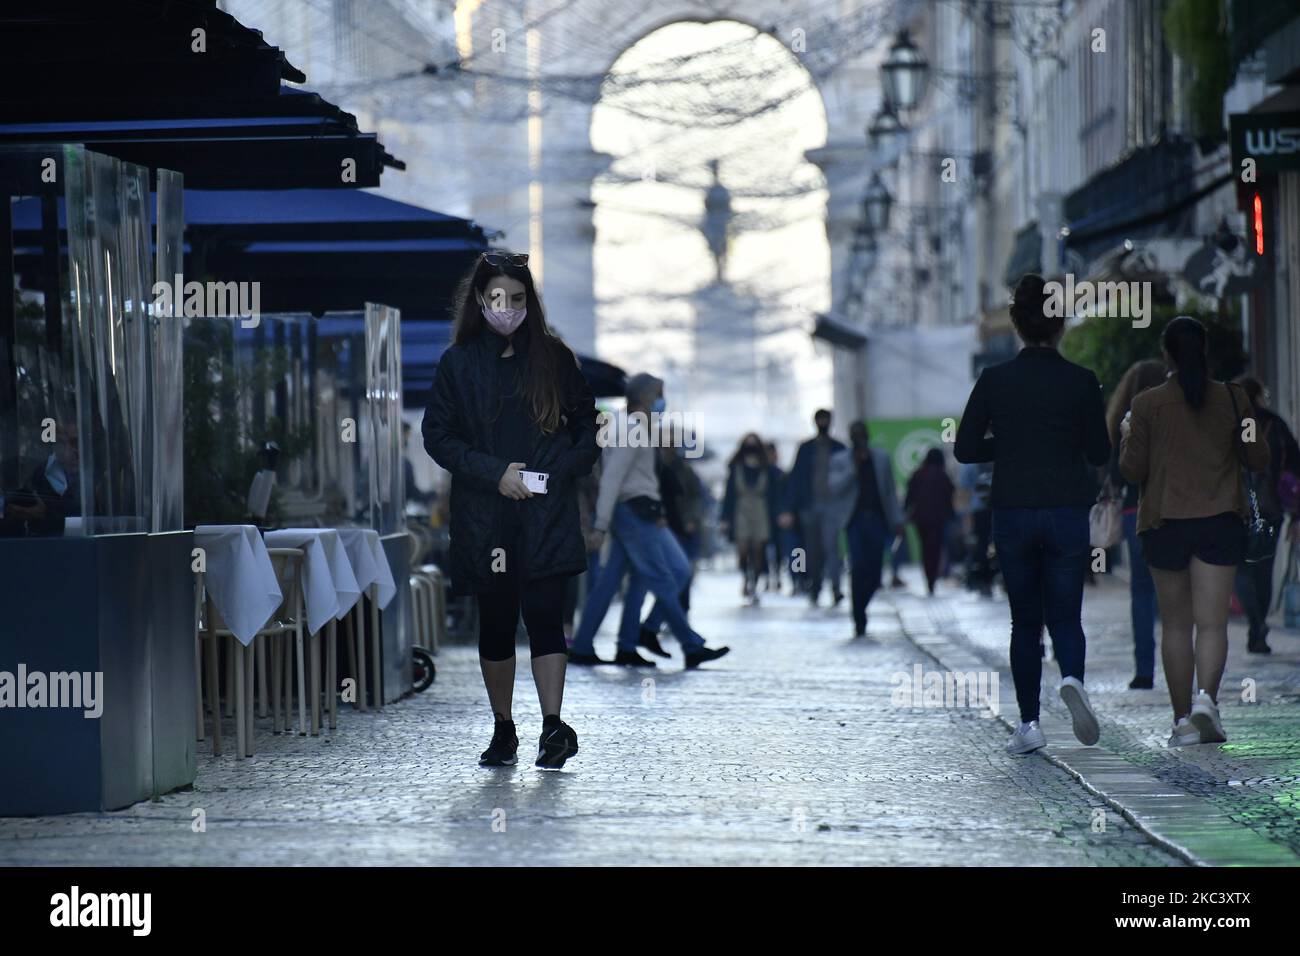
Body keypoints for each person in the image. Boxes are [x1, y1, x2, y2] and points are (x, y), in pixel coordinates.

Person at [421, 250, 597, 769]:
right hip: (485, 515)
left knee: (545, 616)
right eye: (498, 298)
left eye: (518, 299)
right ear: (480, 299)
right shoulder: (458, 363)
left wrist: (561, 468)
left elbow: (587, 425)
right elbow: (439, 436)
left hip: (546, 513)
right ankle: (504, 729)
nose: (508, 308)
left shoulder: (555, 358)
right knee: (496, 623)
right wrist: (495, 472)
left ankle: (552, 726)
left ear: (530, 302)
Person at [955, 273, 1110, 755]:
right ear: (1059, 324)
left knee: (1024, 622)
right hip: (1066, 509)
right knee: (1067, 615)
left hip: (1014, 512)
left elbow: (963, 449)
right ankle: (1073, 680)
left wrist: (1010, 442)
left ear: (1018, 325)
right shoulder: (1082, 382)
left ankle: (1029, 724)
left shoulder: (995, 380)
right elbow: (1100, 450)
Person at [1120, 317, 1269, 747]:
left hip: (1165, 523)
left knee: (1175, 626)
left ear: (1166, 353)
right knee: (1212, 624)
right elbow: (1256, 457)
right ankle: (1208, 701)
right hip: (1220, 521)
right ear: (1205, 351)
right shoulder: (1235, 399)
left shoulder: (1147, 404)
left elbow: (1132, 469)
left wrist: (1130, 433)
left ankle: (1183, 719)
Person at [568, 373, 730, 669]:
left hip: (640, 510)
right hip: (633, 511)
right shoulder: (630, 428)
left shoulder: (634, 426)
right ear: (645, 396)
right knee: (669, 575)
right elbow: (613, 478)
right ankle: (688, 645)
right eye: (659, 394)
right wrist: (601, 524)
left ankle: (607, 645)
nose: (662, 401)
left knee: (613, 581)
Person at [1105, 359, 1167, 688]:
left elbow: (1117, 474)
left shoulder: (1123, 421)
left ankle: (1144, 670)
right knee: (1174, 591)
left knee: (1141, 592)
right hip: (1172, 510)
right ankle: (1182, 667)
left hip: (1134, 513)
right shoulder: (1173, 415)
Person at [1232, 375, 1300, 653]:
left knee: (1241, 568)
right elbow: (1296, 463)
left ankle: (1255, 622)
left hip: (1236, 509)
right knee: (1264, 568)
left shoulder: (1228, 424)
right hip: (1270, 507)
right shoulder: (1275, 423)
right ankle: (1258, 627)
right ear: (1259, 395)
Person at [637, 441, 704, 658]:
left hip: (674, 526)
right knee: (671, 576)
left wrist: (691, 519)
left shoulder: (683, 470)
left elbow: (695, 496)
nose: (669, 450)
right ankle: (686, 643)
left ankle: (640, 635)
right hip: (654, 522)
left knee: (673, 576)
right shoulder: (649, 463)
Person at [780, 409, 847, 606]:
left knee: (831, 548)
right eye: (820, 419)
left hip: (832, 506)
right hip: (809, 506)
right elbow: (796, 479)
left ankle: (835, 587)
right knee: (812, 550)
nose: (823, 423)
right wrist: (789, 509)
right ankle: (815, 587)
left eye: (826, 419)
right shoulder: (806, 448)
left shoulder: (839, 448)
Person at [845, 421, 903, 636]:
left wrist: (897, 520)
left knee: (875, 572)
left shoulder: (881, 458)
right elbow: (835, 486)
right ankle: (858, 614)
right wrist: (854, 467)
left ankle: (861, 605)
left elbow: (889, 491)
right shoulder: (842, 460)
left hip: (878, 519)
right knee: (858, 567)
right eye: (854, 435)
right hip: (855, 520)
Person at [720, 433, 782, 605]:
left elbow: (775, 494)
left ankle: (753, 582)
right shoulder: (736, 468)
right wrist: (725, 518)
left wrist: (778, 514)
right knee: (743, 548)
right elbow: (729, 494)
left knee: (758, 549)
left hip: (761, 510)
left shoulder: (766, 469)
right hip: (741, 510)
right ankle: (745, 575)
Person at [904, 448, 956, 595]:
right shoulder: (943, 475)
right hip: (938, 519)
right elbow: (949, 496)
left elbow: (909, 497)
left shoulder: (917, 474)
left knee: (925, 549)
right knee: (936, 549)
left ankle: (929, 578)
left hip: (920, 519)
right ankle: (932, 579)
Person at [959, 461, 995, 596]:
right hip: (997, 507)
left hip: (978, 509)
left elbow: (964, 489)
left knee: (981, 545)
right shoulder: (995, 457)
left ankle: (984, 581)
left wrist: (965, 517)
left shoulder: (970, 463)